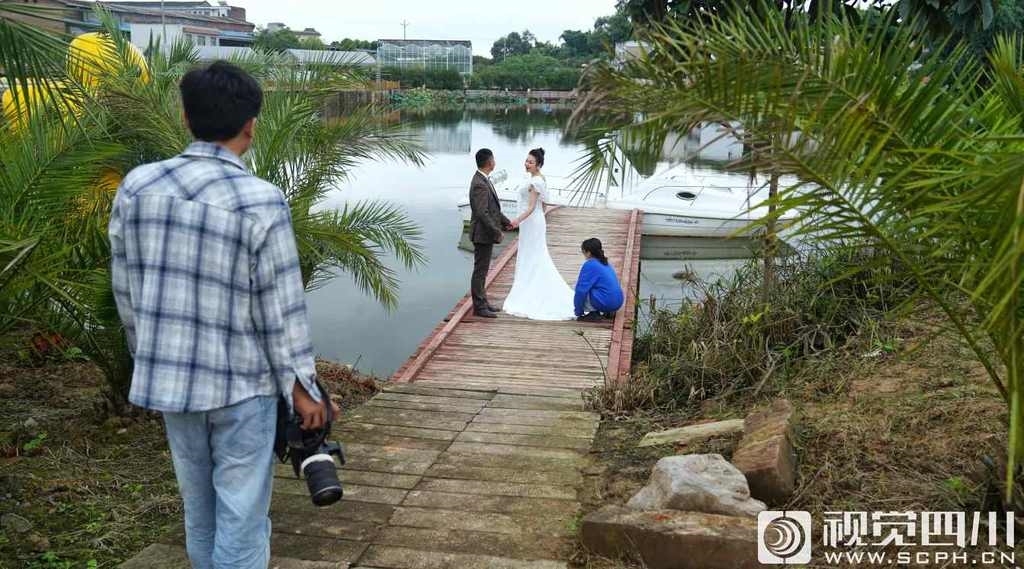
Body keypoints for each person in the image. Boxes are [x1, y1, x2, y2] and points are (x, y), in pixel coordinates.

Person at [108, 61, 338, 569]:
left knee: (200, 510)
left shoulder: (137, 187)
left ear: (185, 117)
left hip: (172, 384)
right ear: (251, 125)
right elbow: (280, 308)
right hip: (242, 387)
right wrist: (302, 388)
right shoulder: (260, 201)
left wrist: (149, 358)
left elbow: (125, 289)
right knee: (242, 516)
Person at [502, 148, 576, 320]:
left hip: (531, 221)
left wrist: (516, 221)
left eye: (531, 162)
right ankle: (527, 286)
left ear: (538, 165)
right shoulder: (538, 179)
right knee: (530, 254)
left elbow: (530, 207)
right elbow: (543, 205)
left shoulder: (536, 182)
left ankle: (531, 291)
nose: (527, 164)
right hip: (533, 221)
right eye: (526, 161)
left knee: (533, 255)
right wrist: (537, 218)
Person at [468, 148, 513, 318]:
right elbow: (482, 213)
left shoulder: (484, 179)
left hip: (485, 234)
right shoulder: (479, 183)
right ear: (489, 162)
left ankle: (483, 302)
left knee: (483, 270)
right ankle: (479, 307)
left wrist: (506, 222)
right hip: (482, 234)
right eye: (493, 159)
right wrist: (496, 232)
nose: (495, 162)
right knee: (480, 271)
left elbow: (493, 209)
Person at [575, 238, 624, 322]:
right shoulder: (605, 263)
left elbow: (581, 290)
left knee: (583, 289)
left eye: (583, 252)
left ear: (588, 253)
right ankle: (608, 311)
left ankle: (593, 313)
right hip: (617, 303)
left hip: (606, 302)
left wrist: (578, 311)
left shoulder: (590, 264)